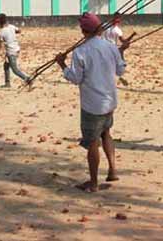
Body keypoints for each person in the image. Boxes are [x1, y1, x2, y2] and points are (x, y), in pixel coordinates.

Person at [55, 12, 129, 193]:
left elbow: (76, 78)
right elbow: (120, 70)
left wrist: (62, 65)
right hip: (110, 101)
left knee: (93, 142)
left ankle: (94, 183)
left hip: (92, 105)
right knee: (106, 133)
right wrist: (121, 52)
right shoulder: (111, 47)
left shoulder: (80, 51)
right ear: (100, 29)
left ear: (83, 31)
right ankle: (112, 170)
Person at [0, 13, 30, 88]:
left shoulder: (1, 32)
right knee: (6, 66)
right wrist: (13, 32)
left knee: (15, 70)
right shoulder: (11, 26)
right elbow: (19, 31)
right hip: (16, 49)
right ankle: (7, 83)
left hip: (11, 52)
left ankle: (28, 79)